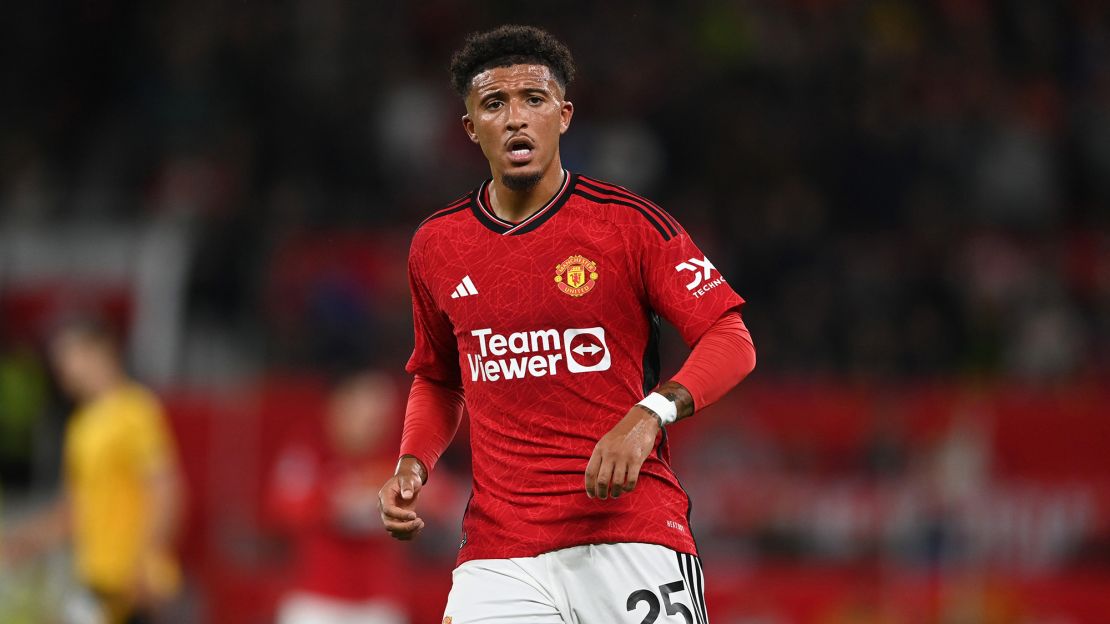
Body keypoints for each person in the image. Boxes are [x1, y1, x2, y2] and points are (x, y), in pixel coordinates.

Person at [377, 25, 756, 623]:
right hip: (501, 555)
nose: (516, 119)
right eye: (495, 104)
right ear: (472, 129)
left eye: (534, 99)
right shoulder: (436, 245)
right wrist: (412, 463)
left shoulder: (627, 226)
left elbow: (731, 339)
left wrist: (648, 415)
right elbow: (438, 378)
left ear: (565, 115)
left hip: (628, 533)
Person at [2, 319, 183, 624]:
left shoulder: (135, 410)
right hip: (96, 577)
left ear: (101, 351)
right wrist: (26, 540)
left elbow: (166, 489)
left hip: (131, 583)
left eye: (69, 356)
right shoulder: (81, 426)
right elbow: (75, 510)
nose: (63, 369)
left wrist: (148, 559)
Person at [267, 372, 410, 624]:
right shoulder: (308, 447)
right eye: (367, 413)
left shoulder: (399, 457)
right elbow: (283, 508)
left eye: (381, 416)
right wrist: (334, 500)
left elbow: (440, 504)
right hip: (316, 599)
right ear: (340, 406)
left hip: (378, 601)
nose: (375, 423)